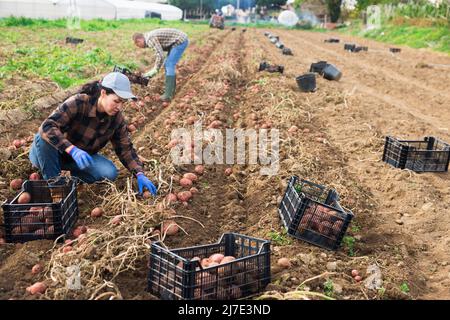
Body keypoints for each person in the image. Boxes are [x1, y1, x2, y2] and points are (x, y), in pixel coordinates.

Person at [29, 72, 157, 196]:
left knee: (109, 172)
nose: (119, 107)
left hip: (77, 160)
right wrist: (71, 149)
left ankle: (69, 180)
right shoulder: (79, 103)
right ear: (103, 93)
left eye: (122, 102)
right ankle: (55, 187)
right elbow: (47, 126)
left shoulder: (116, 119)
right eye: (116, 101)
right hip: (51, 154)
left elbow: (125, 148)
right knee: (45, 137)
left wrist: (139, 173)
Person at [132, 28, 189, 102]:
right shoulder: (148, 37)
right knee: (167, 65)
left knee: (169, 65)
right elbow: (160, 54)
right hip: (176, 41)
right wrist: (156, 68)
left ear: (139, 41)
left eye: (138, 45)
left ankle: (168, 95)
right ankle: (171, 91)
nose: (140, 47)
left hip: (180, 41)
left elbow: (160, 55)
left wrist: (155, 69)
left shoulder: (150, 39)